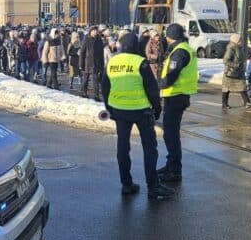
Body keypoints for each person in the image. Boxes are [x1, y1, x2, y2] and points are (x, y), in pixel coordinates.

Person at [101, 32, 172, 200]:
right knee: (149, 148)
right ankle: (153, 186)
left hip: (119, 111)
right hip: (141, 111)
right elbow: (151, 89)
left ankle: (126, 184)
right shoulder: (141, 62)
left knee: (123, 147)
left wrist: (109, 108)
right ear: (136, 45)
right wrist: (157, 109)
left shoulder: (112, 62)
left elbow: (105, 87)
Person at [158, 23, 198, 183]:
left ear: (170, 36)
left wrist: (157, 85)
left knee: (171, 134)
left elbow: (171, 75)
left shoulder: (179, 51)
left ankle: (174, 170)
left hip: (175, 95)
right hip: (179, 95)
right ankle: (171, 165)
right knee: (171, 133)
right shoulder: (185, 48)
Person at [221, 33, 249, 109]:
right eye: (240, 40)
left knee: (242, 86)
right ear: (236, 40)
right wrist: (236, 65)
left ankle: (247, 102)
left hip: (239, 72)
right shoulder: (231, 48)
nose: (241, 41)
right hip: (231, 72)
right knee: (226, 88)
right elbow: (225, 60)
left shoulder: (239, 48)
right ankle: (224, 104)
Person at [79, 26, 105, 100]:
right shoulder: (86, 38)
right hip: (87, 62)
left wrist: (102, 64)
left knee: (95, 80)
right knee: (86, 79)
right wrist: (81, 63)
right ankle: (84, 92)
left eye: (96, 31)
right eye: (94, 31)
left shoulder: (99, 39)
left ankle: (96, 96)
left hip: (96, 62)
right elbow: (82, 52)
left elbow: (101, 53)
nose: (95, 32)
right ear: (91, 31)